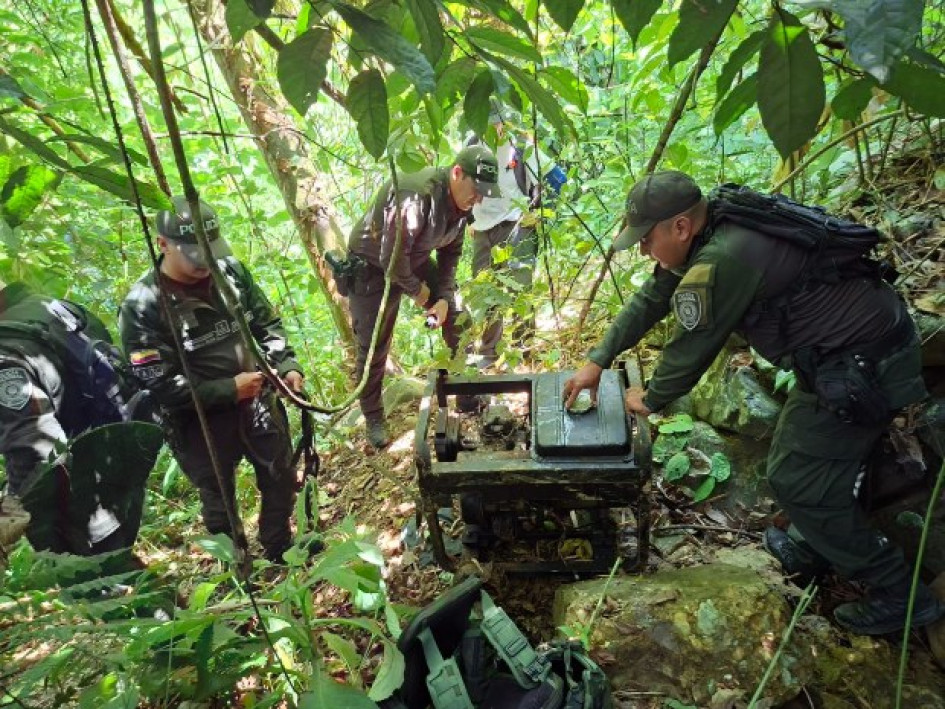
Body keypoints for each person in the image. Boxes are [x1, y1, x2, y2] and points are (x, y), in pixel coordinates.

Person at [563, 171, 944, 636]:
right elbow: (654, 296)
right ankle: (817, 547)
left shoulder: (724, 258)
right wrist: (597, 359)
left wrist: (654, 396)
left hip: (862, 365)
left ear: (680, 227)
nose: (643, 251)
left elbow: (692, 347)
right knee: (797, 460)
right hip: (842, 354)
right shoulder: (715, 221)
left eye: (646, 240)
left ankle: (901, 595)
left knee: (796, 479)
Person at [119, 197, 305, 564]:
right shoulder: (143, 306)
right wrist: (228, 389)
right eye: (193, 255)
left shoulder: (230, 271)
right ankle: (239, 567)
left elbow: (266, 322)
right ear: (163, 245)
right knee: (219, 499)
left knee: (280, 476)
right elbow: (159, 385)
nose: (206, 263)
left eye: (210, 251)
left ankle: (280, 548)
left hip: (258, 404)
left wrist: (286, 364)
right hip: (198, 421)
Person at [343, 145, 500, 449]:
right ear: (457, 173)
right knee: (374, 344)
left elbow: (451, 254)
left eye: (484, 192)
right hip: (372, 265)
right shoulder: (415, 196)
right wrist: (423, 294)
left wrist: (442, 297)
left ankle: (466, 391)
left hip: (412, 259)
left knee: (457, 317)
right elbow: (392, 258)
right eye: (476, 189)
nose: (478, 198)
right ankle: (374, 416)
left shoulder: (462, 207)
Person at [0, 278, 160, 556]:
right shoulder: (55, 309)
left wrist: (18, 518)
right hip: (122, 453)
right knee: (116, 565)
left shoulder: (7, 355)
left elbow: (37, 452)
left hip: (80, 498)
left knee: (96, 581)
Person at [469, 105, 566, 367]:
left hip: (517, 222)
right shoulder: (471, 146)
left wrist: (540, 213)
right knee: (484, 290)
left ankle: (525, 350)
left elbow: (556, 179)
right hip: (481, 227)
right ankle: (489, 353)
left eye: (495, 124)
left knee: (520, 287)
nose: (492, 129)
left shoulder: (520, 146)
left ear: (503, 122)